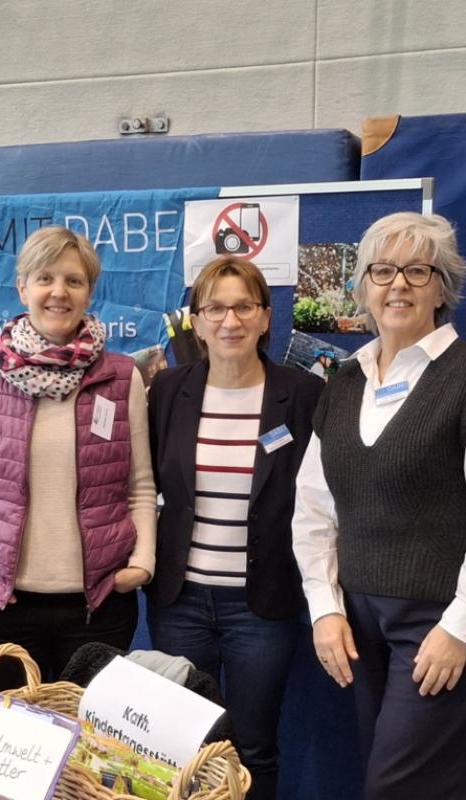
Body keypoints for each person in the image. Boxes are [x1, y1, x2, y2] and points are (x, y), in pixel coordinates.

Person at [292, 212, 466, 799]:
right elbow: (314, 509)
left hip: (443, 624)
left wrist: (461, 627)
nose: (397, 284)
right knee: (389, 775)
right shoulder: (344, 383)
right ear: (364, 287)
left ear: (442, 286)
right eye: (382, 270)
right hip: (361, 623)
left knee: (398, 787)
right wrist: (325, 608)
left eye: (417, 270)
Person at [0, 226, 156, 690]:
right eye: (45, 278)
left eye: (74, 281)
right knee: (7, 747)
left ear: (89, 292)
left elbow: (140, 485)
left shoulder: (122, 378)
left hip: (98, 606)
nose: (59, 292)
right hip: (4, 607)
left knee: (93, 756)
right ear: (22, 287)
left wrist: (143, 560)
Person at [145, 256, 322, 799]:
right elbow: (139, 483)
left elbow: (321, 499)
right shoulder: (167, 391)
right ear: (195, 321)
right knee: (185, 747)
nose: (230, 321)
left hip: (262, 607)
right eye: (215, 307)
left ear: (267, 317)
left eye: (245, 306)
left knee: (253, 748)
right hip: (181, 602)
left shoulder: (303, 395)